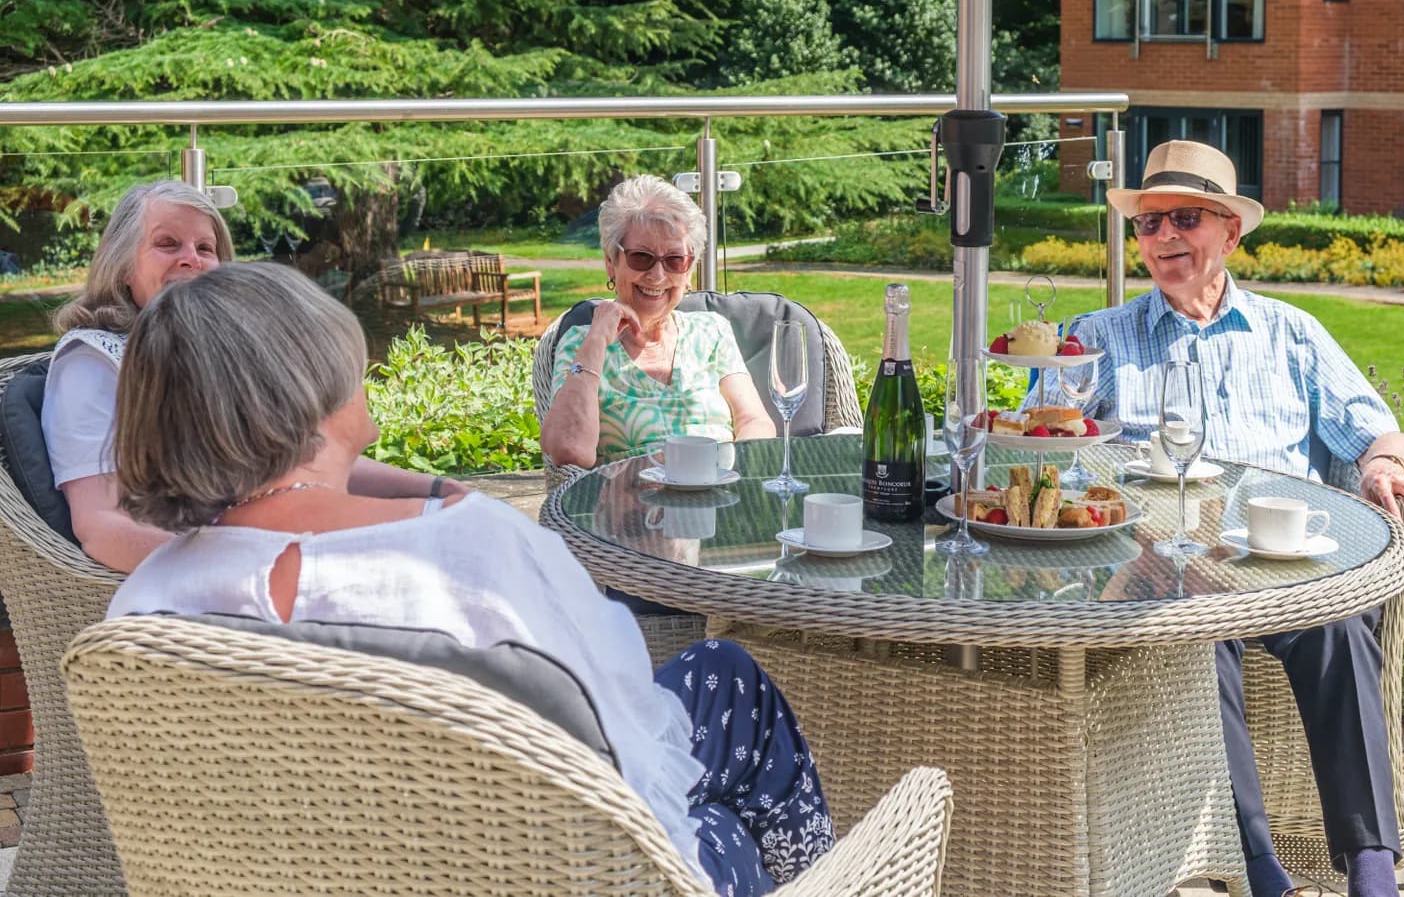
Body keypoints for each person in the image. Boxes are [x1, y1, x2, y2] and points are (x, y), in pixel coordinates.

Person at [105, 262, 836, 894]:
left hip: (336, 865)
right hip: (578, 869)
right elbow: (618, 716)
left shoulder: (145, 608)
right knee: (730, 686)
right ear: (315, 399)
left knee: (719, 671)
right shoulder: (469, 556)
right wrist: (450, 500)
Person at [1050, 139, 1404, 897]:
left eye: (1182, 220)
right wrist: (1057, 426)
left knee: (1342, 624)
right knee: (1194, 634)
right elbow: (1036, 449)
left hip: (1282, 565)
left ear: (1230, 231)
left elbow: (1381, 431)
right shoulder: (1099, 339)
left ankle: (1370, 870)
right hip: (1158, 569)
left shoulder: (1291, 334)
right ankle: (1260, 871)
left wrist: (1384, 465)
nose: (1162, 240)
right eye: (1148, 225)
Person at [41, 180, 464, 572]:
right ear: (122, 266)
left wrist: (440, 489)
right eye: (167, 243)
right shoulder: (92, 362)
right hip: (209, 589)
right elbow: (100, 528)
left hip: (277, 545)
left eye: (206, 248)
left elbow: (312, 458)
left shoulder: (219, 355)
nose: (190, 257)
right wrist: (249, 571)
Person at [541, 175, 775, 468]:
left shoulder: (711, 331)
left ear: (689, 270)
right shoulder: (581, 342)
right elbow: (569, 452)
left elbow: (754, 420)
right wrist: (596, 342)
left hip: (716, 495)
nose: (658, 276)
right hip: (627, 506)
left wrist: (735, 472)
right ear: (611, 263)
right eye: (641, 257)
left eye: (675, 260)